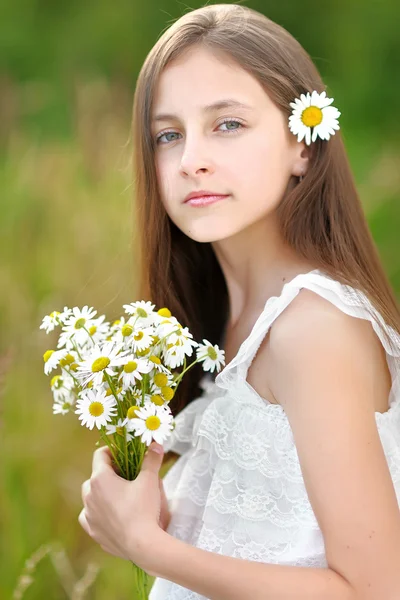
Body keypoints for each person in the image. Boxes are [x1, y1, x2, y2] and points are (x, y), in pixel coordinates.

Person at [78, 4, 400, 598]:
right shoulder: (217, 327)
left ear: (302, 146)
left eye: (227, 124)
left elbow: (373, 589)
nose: (191, 159)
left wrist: (147, 547)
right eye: (168, 134)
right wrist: (153, 511)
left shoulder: (315, 327)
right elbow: (263, 535)